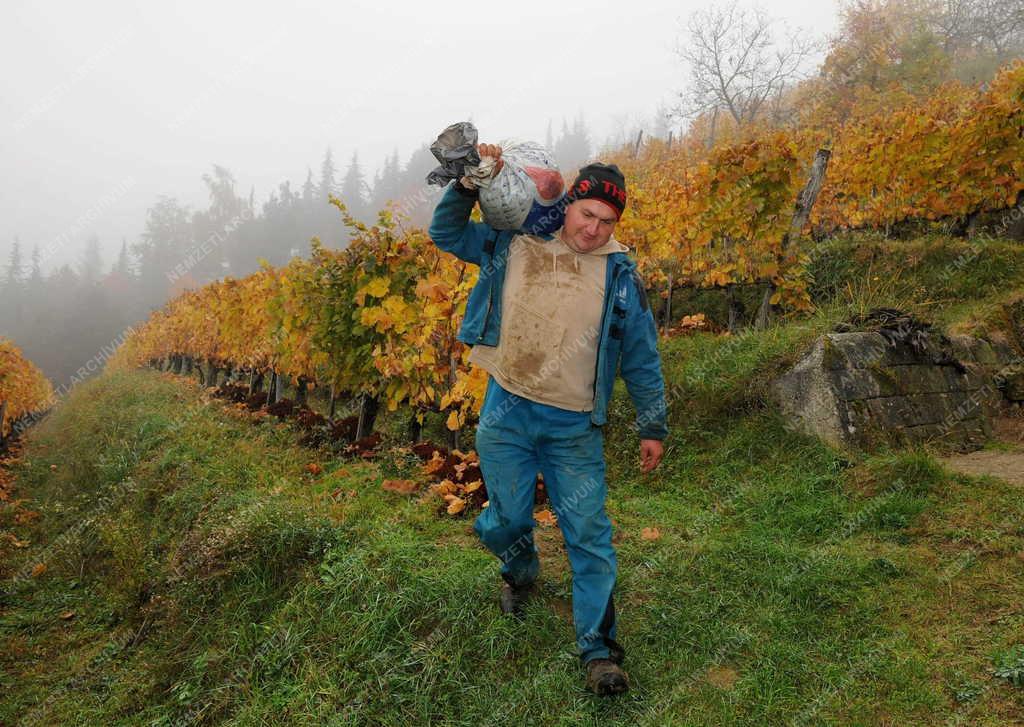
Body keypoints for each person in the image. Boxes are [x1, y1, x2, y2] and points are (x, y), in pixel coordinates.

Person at [427, 144, 668, 696]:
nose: (594, 229)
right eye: (588, 214)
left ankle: (600, 652)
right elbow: (446, 235)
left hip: (574, 426)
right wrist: (467, 184)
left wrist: (652, 426)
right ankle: (520, 569)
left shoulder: (621, 276)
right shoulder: (515, 240)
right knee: (508, 521)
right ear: (571, 204)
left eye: (608, 222)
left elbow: (642, 355)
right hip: (506, 409)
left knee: (588, 535)